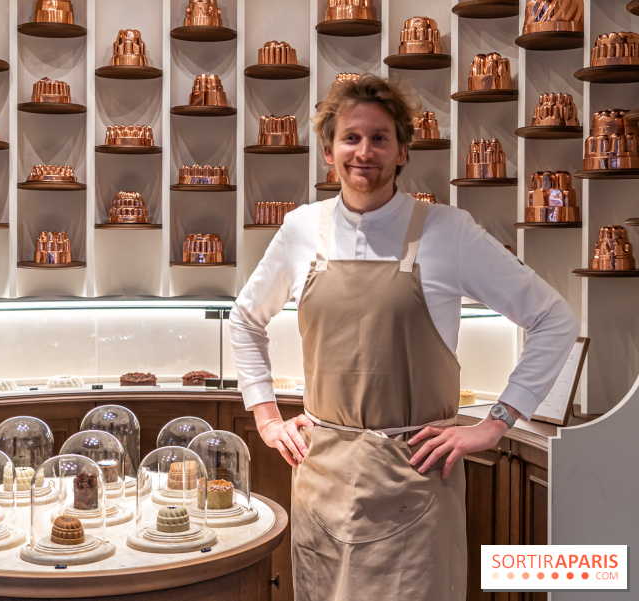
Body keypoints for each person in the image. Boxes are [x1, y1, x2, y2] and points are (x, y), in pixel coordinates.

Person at [229, 75, 579, 600]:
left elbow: (555, 319)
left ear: (402, 152)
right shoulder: (301, 228)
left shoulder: (448, 231)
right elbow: (245, 319)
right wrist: (265, 415)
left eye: (379, 138)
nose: (363, 151)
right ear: (329, 152)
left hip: (415, 478)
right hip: (321, 476)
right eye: (350, 138)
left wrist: (497, 422)